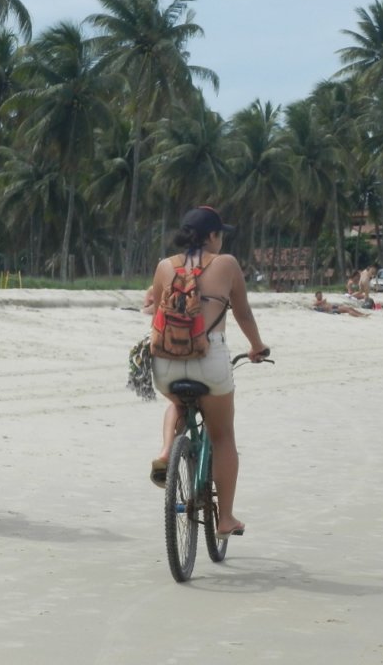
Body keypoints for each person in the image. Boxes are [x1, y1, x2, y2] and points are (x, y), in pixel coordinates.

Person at [148, 206, 268, 540]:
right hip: (210, 356)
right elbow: (242, 313)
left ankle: (165, 450)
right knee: (223, 435)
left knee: (178, 403)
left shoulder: (163, 266)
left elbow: (156, 314)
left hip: (165, 361)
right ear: (212, 236)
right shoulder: (227, 264)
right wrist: (257, 346)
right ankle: (226, 518)